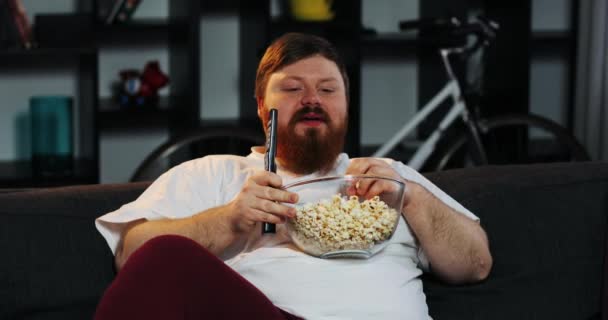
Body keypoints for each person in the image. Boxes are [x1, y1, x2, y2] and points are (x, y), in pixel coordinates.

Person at [94, 32, 492, 320]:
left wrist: (413, 198)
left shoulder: (393, 180)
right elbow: (134, 256)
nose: (312, 100)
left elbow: (475, 263)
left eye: (327, 89)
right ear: (260, 105)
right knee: (166, 253)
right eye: (293, 88)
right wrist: (229, 221)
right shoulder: (215, 173)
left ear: (346, 105)